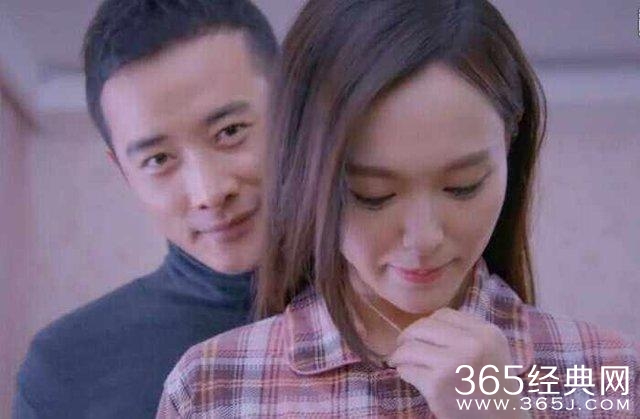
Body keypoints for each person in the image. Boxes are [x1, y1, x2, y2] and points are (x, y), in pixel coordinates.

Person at [157, 0, 639, 417]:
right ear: (306, 176)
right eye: (373, 195)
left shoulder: (606, 373)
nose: (424, 237)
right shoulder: (213, 387)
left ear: (510, 151)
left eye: (463, 187)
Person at [13, 0, 278, 417]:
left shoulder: (385, 300)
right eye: (158, 160)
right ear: (123, 172)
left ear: (292, 109)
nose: (208, 192)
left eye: (230, 132)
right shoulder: (65, 372)